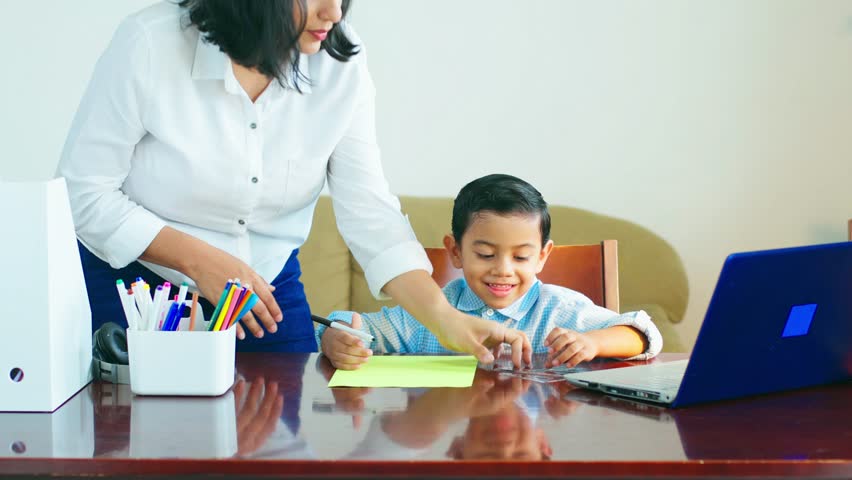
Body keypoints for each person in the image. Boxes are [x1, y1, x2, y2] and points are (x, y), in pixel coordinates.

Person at [56, 1, 529, 363]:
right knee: (146, 444)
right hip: (142, 288)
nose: (334, 12)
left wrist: (445, 320)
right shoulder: (150, 44)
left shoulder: (341, 63)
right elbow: (82, 194)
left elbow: (369, 211)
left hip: (265, 288)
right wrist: (201, 261)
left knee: (277, 449)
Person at [318, 173, 664, 369]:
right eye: (485, 254)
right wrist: (339, 338)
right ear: (455, 251)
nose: (503, 270)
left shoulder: (561, 311)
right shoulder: (432, 311)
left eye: (521, 257)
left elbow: (644, 333)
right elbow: (352, 326)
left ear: (543, 256)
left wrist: (591, 342)